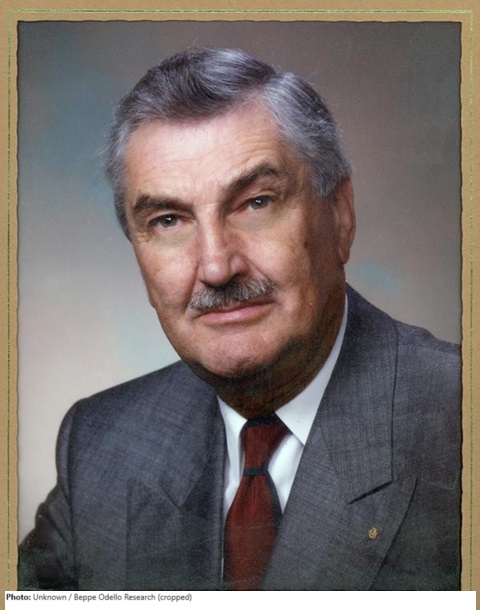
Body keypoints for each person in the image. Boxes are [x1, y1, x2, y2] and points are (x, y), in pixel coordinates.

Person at [18, 48, 461, 591]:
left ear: (340, 216)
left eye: (256, 203)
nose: (216, 266)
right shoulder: (101, 444)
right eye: (169, 220)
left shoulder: (457, 423)